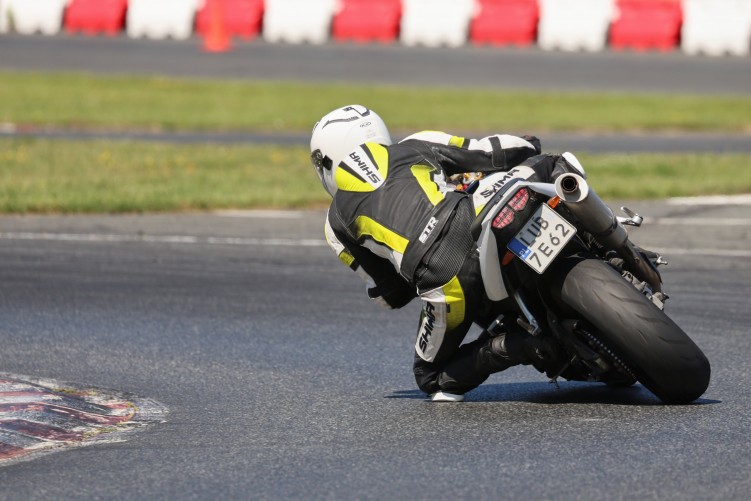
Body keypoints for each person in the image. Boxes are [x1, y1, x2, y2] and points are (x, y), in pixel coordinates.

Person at [310, 104, 583, 402]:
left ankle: (523, 344)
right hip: (472, 218)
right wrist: (529, 143)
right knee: (554, 163)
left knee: (430, 378)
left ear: (325, 161)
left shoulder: (334, 225)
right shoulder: (414, 144)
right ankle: (607, 236)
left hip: (443, 278)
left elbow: (394, 294)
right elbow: (490, 152)